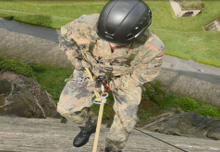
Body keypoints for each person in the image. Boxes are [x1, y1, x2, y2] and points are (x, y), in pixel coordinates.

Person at [57, 0, 165, 151]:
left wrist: (112, 85)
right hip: (90, 70)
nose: (111, 46)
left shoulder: (152, 47)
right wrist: (78, 62)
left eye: (119, 44)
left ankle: (113, 147)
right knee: (66, 108)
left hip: (124, 79)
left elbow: (143, 74)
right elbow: (65, 38)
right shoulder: (84, 25)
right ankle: (89, 126)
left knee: (126, 120)